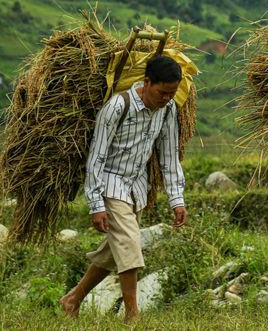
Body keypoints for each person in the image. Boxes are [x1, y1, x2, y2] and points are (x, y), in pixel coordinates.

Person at [60, 55, 188, 322]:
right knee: (130, 244)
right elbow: (96, 156)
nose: (166, 98)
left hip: (136, 188)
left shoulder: (168, 109)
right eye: (162, 92)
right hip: (110, 184)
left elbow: (168, 155)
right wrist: (96, 204)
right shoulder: (118, 107)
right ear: (147, 82)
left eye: (171, 93)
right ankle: (132, 315)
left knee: (112, 252)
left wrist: (177, 199)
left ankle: (72, 299)